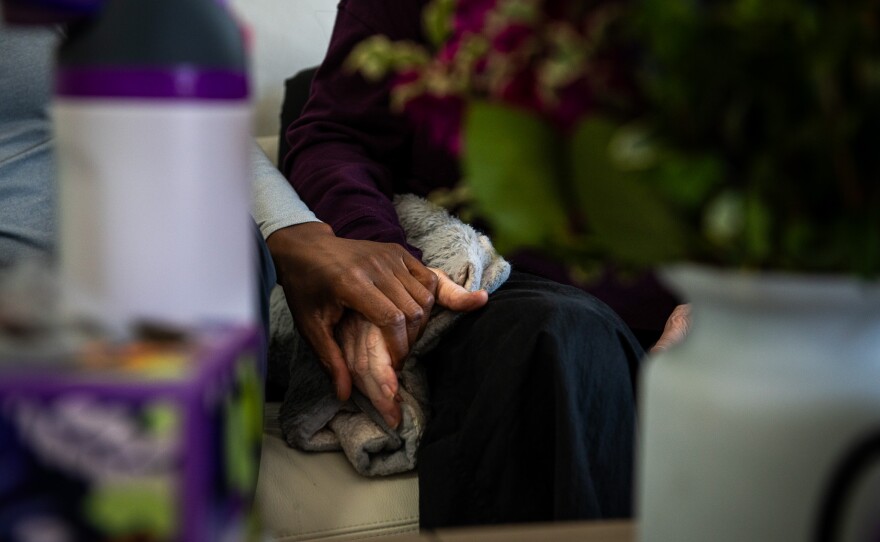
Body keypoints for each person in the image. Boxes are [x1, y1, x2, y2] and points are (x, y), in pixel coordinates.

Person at [280, 0, 691, 529]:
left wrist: (738, 300)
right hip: (500, 285)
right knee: (554, 338)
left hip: (686, 293)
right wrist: (379, 270)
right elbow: (337, 138)